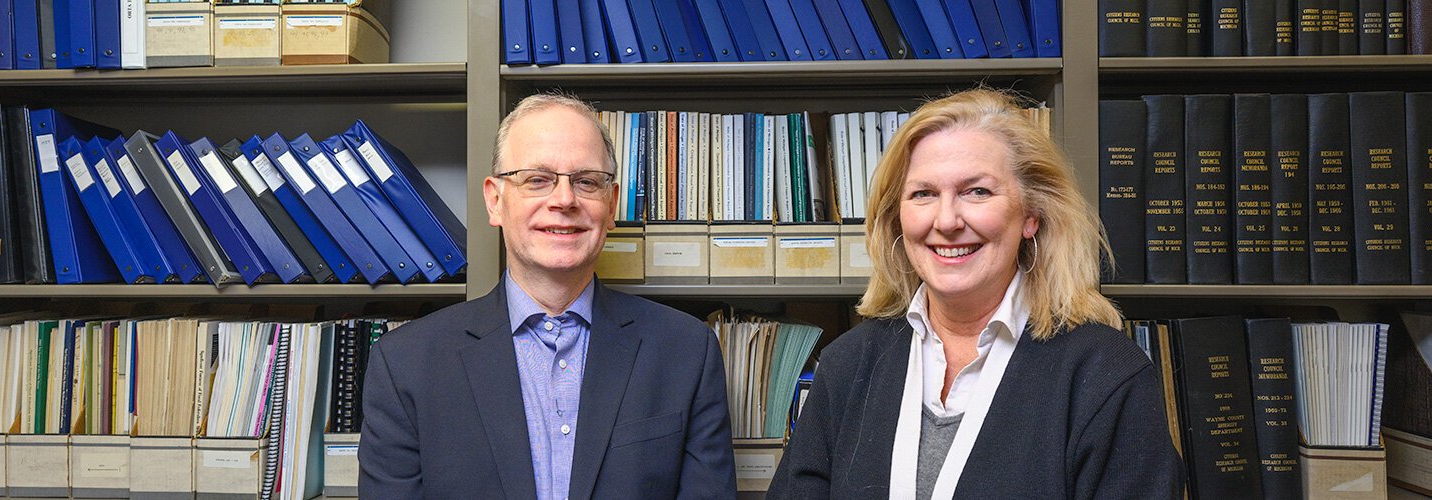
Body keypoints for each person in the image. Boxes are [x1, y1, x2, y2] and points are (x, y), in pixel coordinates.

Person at [767, 89, 1183, 499]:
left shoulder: (1105, 375)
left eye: (977, 191)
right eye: (923, 194)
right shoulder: (848, 365)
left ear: (1031, 216)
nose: (946, 220)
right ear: (898, 217)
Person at [358, 93, 736, 499]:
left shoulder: (686, 352)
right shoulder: (405, 365)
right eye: (537, 179)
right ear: (495, 200)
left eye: (586, 181)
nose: (564, 200)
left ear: (610, 205)